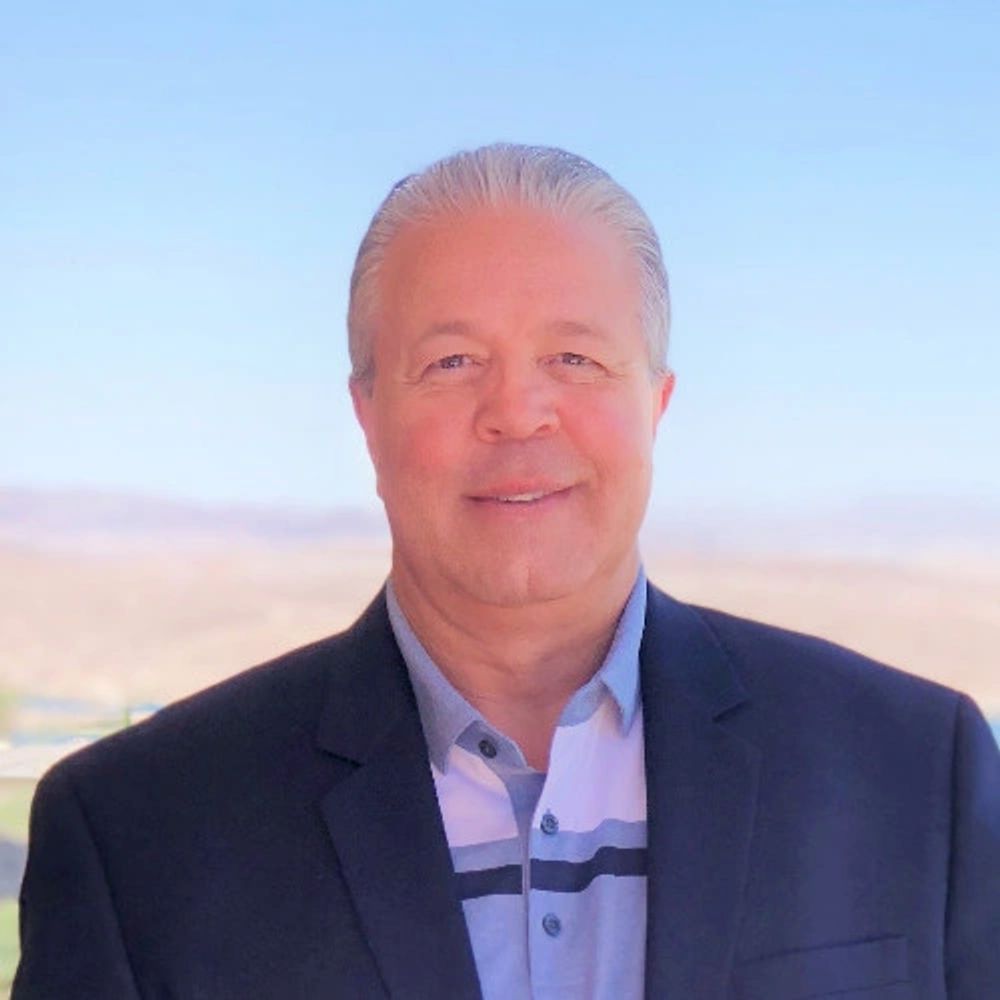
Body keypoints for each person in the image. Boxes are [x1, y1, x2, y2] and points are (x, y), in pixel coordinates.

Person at [14, 143, 999, 999]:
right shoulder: (137, 836)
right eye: (450, 362)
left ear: (655, 403)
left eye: (573, 358)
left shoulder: (917, 771)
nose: (518, 412)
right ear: (367, 415)